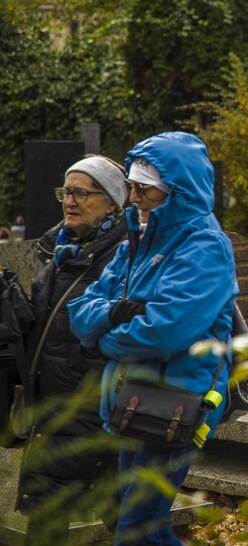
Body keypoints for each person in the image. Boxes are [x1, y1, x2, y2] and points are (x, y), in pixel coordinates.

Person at [69, 132, 237, 544]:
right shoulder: (138, 240)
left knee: (136, 528)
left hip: (176, 402)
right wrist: (113, 313)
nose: (135, 197)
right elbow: (81, 311)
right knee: (143, 525)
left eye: (146, 189)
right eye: (132, 186)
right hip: (133, 397)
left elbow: (164, 331)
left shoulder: (204, 245)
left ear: (179, 190)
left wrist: (105, 340)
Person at [16, 156, 128, 542]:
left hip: (92, 406)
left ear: (111, 203)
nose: (69, 202)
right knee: (50, 512)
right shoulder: (58, 249)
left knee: (123, 516)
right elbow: (46, 324)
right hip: (54, 404)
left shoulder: (121, 256)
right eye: (66, 192)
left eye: (82, 193)